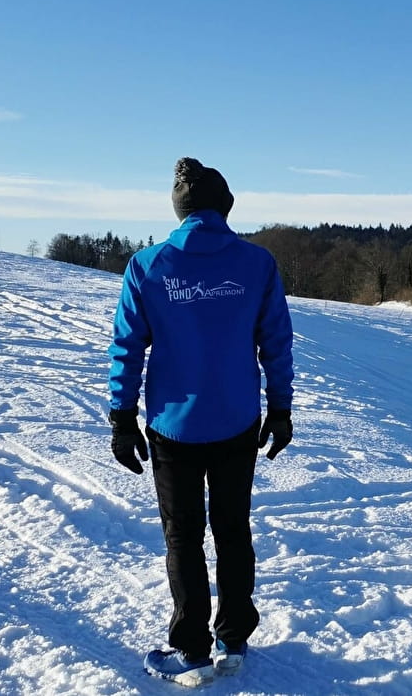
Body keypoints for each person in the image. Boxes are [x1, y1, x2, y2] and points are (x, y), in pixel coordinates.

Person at [106, 157, 295, 687]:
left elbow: (128, 348)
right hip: (238, 421)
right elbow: (276, 342)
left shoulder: (148, 265)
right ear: (225, 206)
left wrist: (122, 417)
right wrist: (280, 409)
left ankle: (191, 649)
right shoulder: (257, 264)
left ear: (181, 209)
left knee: (183, 537)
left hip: (173, 427)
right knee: (233, 530)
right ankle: (232, 639)